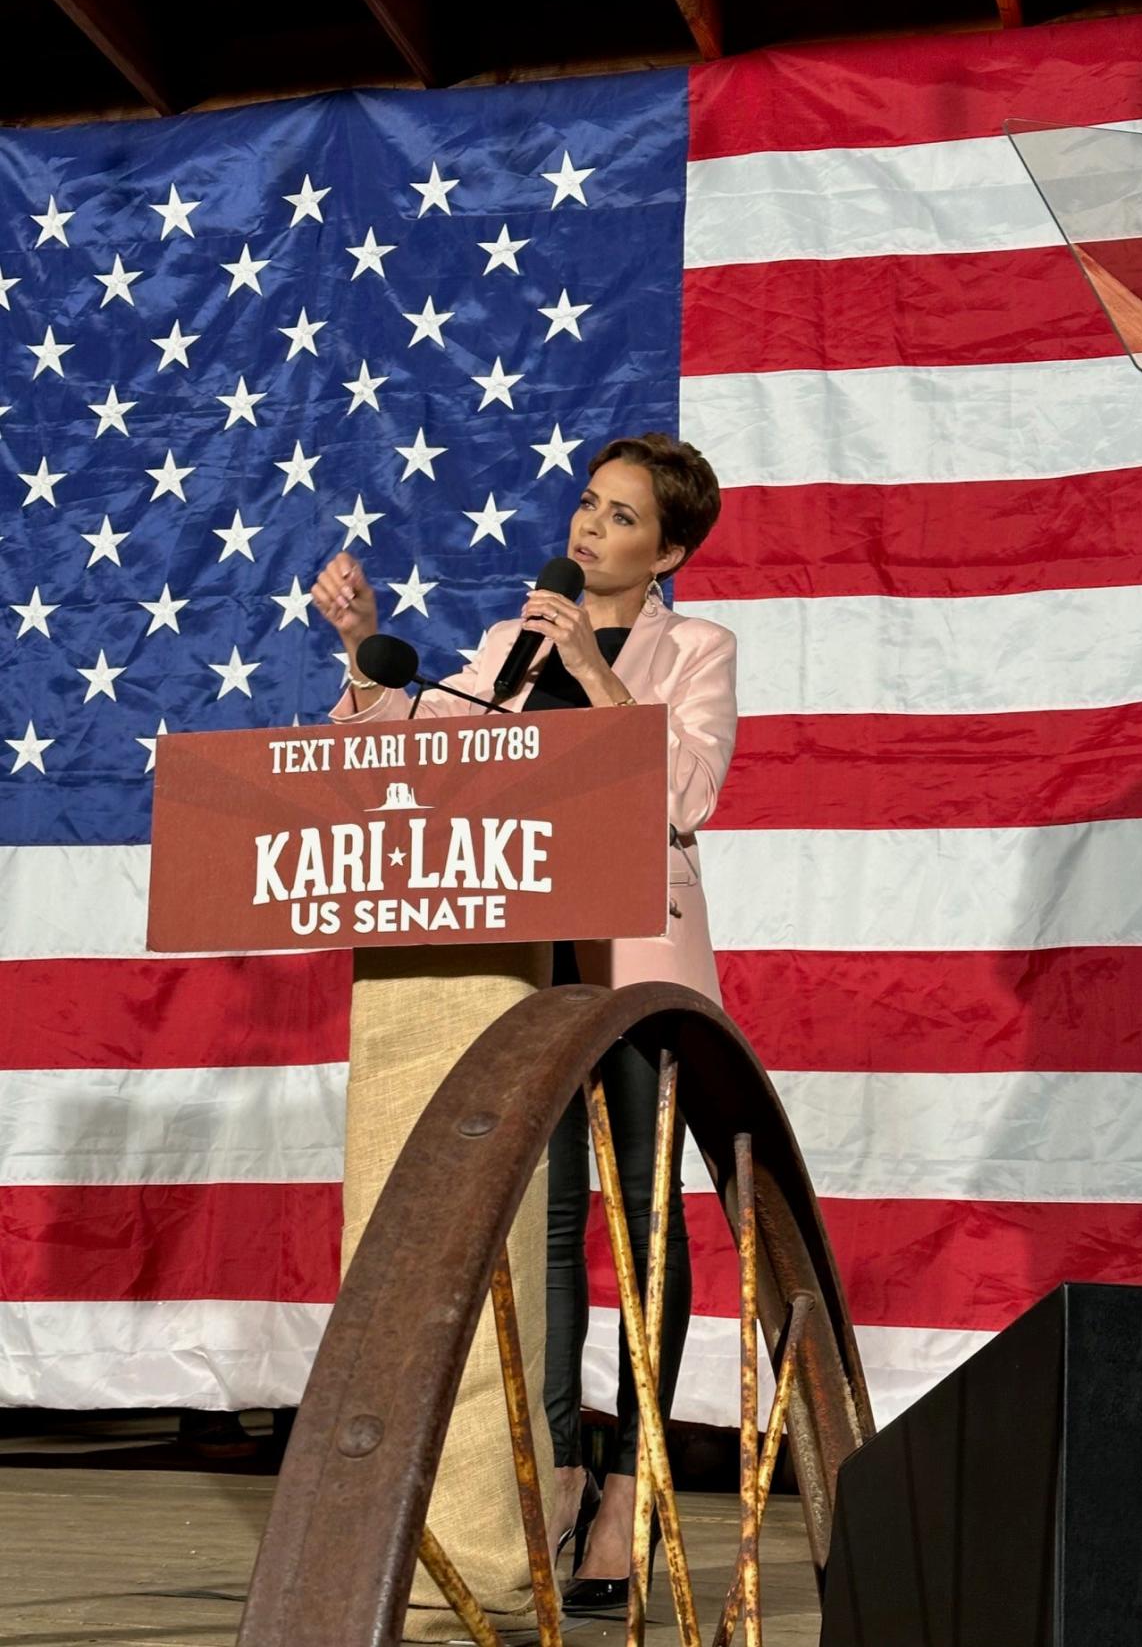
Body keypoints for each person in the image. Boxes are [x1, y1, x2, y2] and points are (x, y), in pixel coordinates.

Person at [312, 431, 737, 1613]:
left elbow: (690, 794)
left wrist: (595, 676)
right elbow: (429, 760)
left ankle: (630, 1488)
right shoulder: (508, 641)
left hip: (636, 967)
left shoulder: (696, 646)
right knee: (542, 1232)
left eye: (620, 517)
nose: (588, 529)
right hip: (521, 971)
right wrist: (362, 655)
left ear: (671, 551)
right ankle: (551, 1472)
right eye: (587, 506)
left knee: (646, 1226)